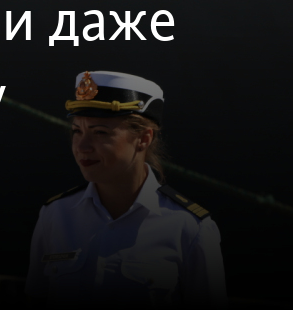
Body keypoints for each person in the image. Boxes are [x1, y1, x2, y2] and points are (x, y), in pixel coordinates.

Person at [26, 71, 227, 306]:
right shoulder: (55, 215)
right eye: (77, 131)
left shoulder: (190, 228)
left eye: (100, 132)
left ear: (144, 138)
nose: (82, 146)